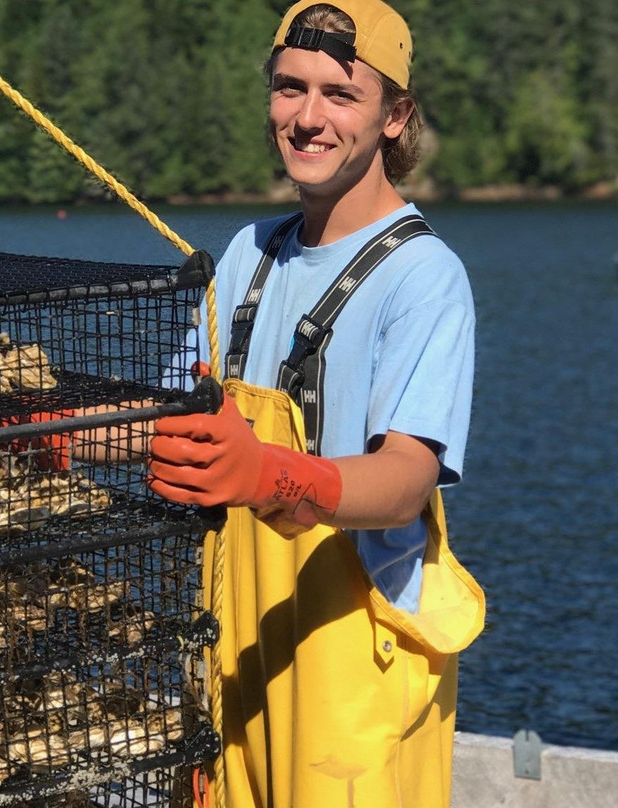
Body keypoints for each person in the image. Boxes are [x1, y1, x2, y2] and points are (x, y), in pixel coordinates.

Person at [146, 2, 486, 806]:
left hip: (353, 669)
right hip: (234, 644)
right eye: (289, 88)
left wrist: (261, 470)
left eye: (339, 94)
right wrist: (42, 434)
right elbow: (172, 428)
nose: (306, 118)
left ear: (394, 116)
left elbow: (405, 480)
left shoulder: (424, 276)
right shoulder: (248, 255)